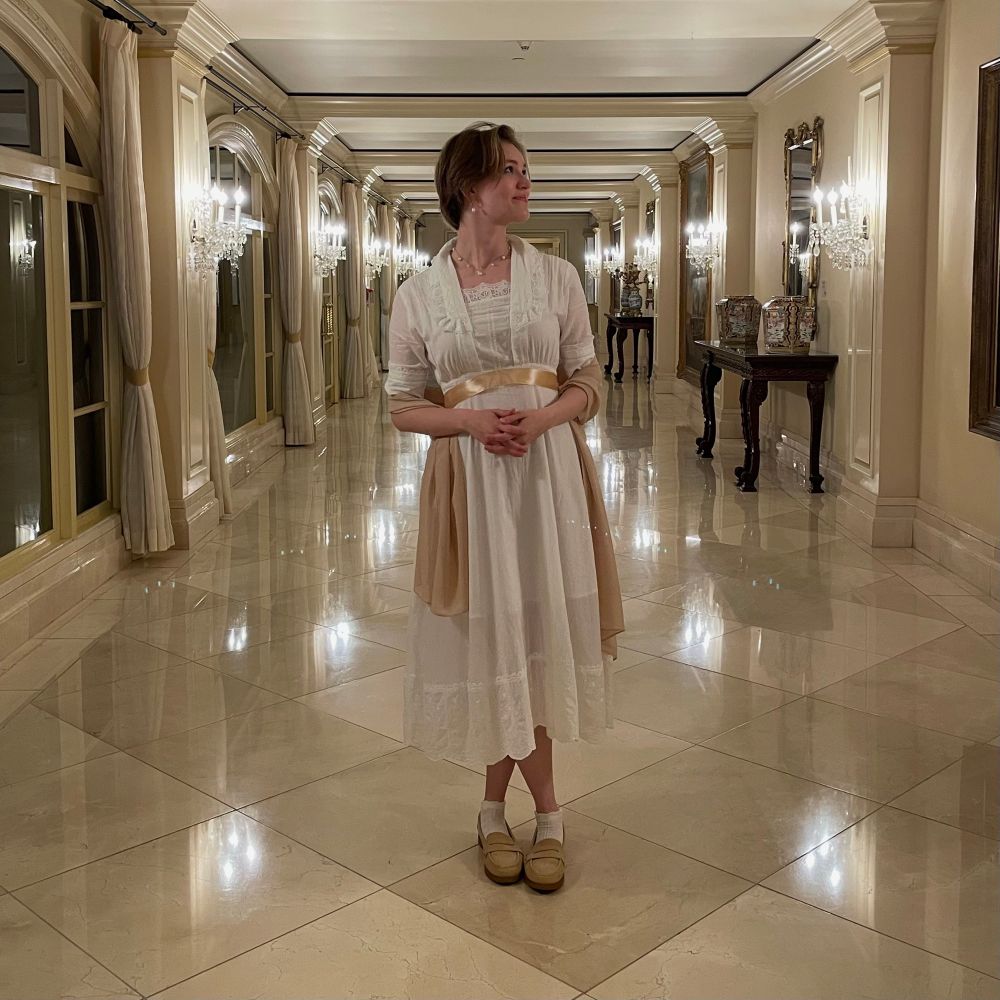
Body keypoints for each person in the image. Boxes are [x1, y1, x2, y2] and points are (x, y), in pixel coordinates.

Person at [385, 122, 623, 893]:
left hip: (546, 478)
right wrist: (470, 421)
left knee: (535, 633)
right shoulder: (417, 295)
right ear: (466, 186)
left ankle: (506, 809)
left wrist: (544, 419)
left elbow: (588, 377)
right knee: (493, 635)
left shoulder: (556, 279)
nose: (526, 183)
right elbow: (400, 407)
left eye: (527, 170)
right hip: (468, 488)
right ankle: (535, 810)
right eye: (510, 171)